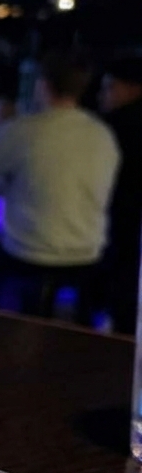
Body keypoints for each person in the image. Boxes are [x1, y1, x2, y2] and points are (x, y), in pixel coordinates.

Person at [0, 50, 120, 322]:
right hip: (89, 252)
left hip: (32, 251)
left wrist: (0, 131)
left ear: (42, 85)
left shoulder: (25, 130)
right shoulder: (102, 134)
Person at [98, 57, 142, 334]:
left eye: (110, 87)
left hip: (120, 212)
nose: (104, 95)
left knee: (122, 274)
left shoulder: (114, 126)